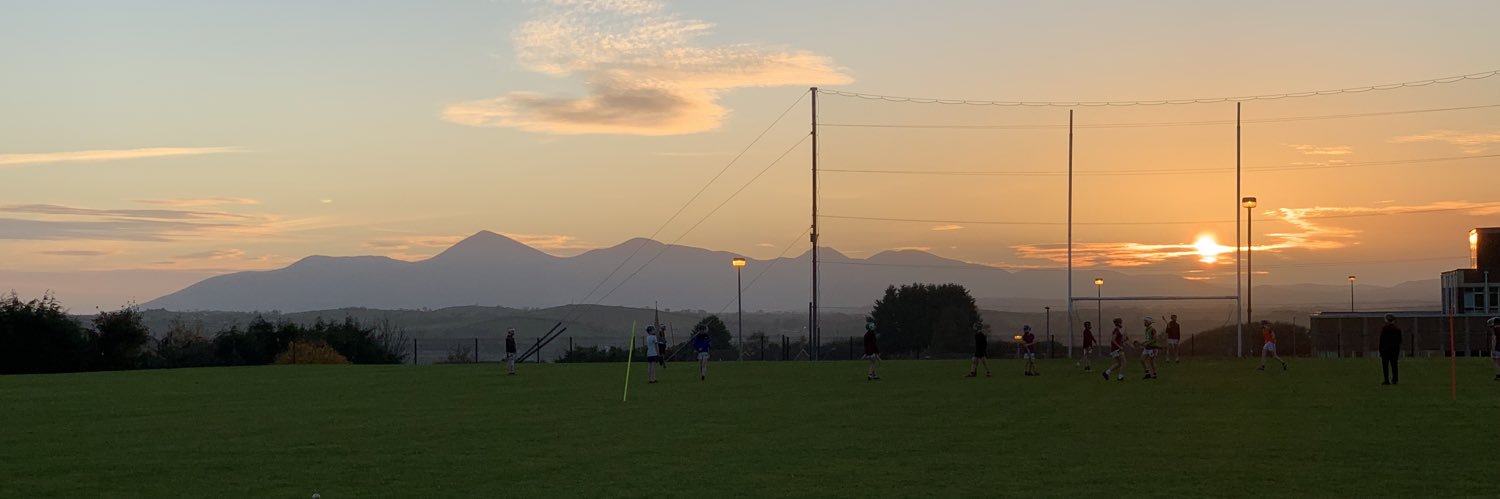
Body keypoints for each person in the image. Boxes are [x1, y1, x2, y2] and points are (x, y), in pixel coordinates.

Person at [1378, 314, 1401, 385]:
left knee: (1385, 365)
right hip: (1394, 350)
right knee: (1394, 365)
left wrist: (1381, 350)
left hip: (1385, 350)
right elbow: (1400, 341)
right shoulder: (1397, 330)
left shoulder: (1385, 329)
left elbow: (1382, 341)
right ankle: (1395, 379)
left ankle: (1386, 380)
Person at [1488, 317, 1499, 381]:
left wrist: (1493, 349)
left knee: (1495, 361)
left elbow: (1494, 339)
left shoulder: (1494, 329)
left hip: (1498, 348)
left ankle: (1498, 375)